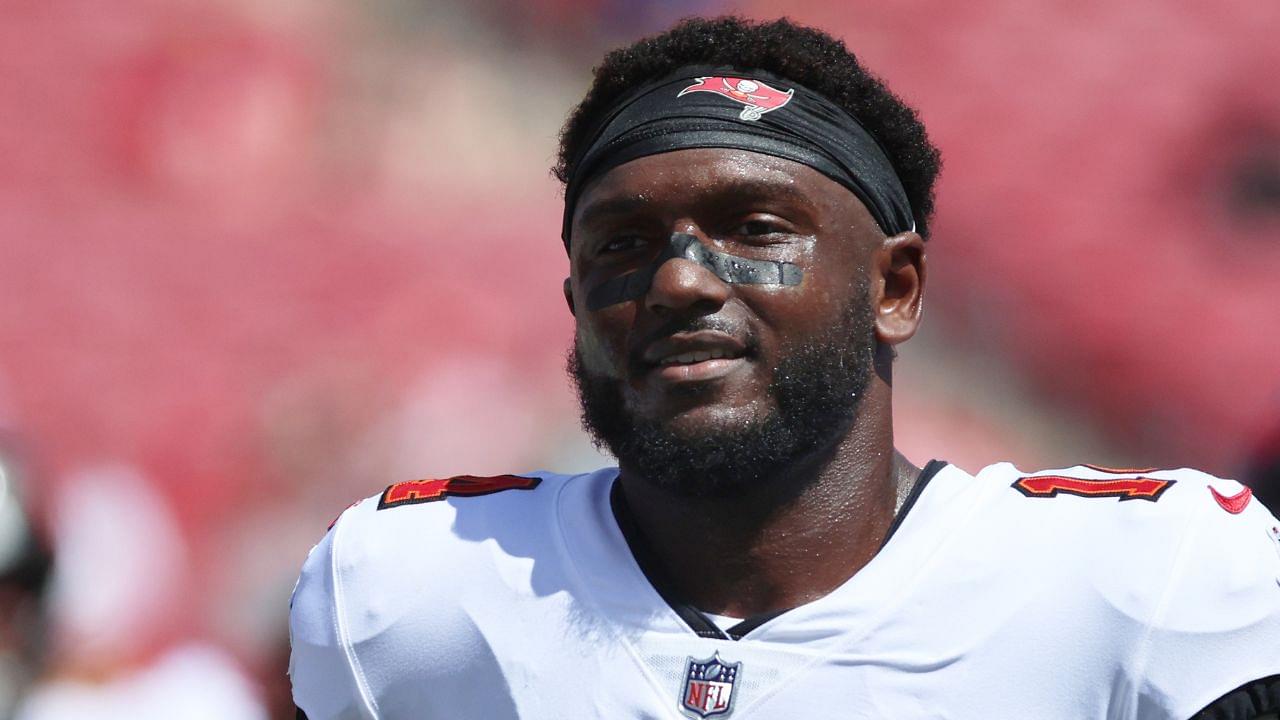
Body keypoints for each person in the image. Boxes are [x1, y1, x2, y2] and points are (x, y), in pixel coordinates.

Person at [288, 17, 1280, 719]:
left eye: (754, 228)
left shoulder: (1151, 587)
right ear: (573, 309)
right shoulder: (405, 593)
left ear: (892, 289)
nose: (676, 279)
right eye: (619, 245)